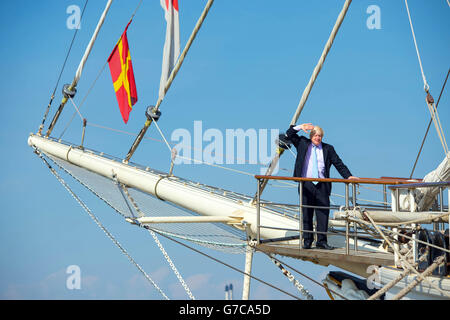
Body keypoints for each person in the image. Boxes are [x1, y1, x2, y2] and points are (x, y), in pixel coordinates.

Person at [286, 123, 358, 250]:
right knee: (307, 213)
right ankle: (307, 240)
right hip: (306, 183)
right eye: (314, 135)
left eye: (319, 136)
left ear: (322, 137)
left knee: (323, 214)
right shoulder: (303, 143)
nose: (317, 138)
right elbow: (289, 134)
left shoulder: (328, 148)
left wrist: (348, 176)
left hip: (322, 185)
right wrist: (300, 126)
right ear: (311, 136)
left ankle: (321, 241)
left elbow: (338, 163)